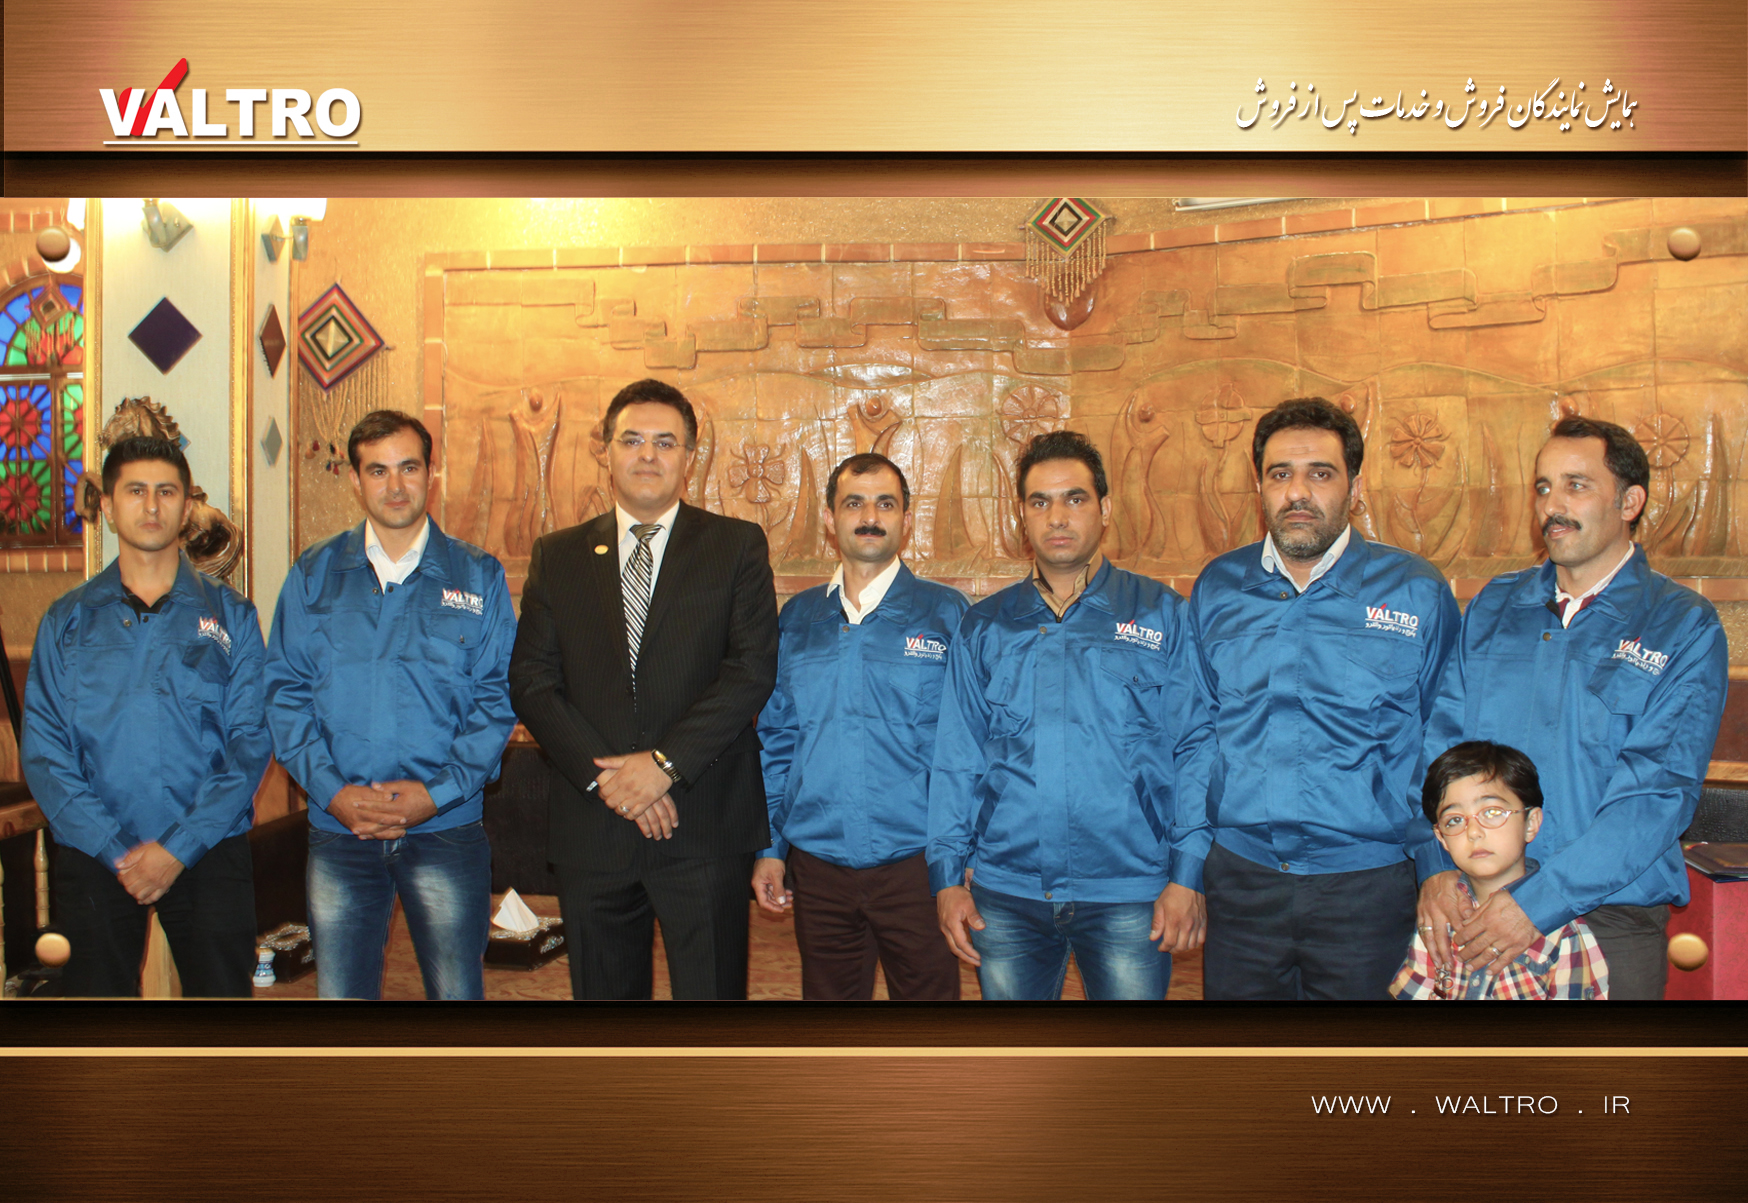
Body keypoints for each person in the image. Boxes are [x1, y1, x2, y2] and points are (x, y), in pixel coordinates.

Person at [1414, 415, 1728, 1000]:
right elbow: (1440, 752)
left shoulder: (1682, 624)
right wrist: (1433, 866)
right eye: (1543, 487)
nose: (1552, 506)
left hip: (1609, 919)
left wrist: (1539, 900)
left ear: (1629, 501)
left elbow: (1656, 795)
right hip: (1475, 909)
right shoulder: (1493, 607)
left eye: (1576, 485)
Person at [509, 378, 778, 1000]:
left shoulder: (736, 546)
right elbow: (532, 680)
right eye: (632, 440)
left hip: (703, 821)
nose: (648, 455)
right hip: (594, 829)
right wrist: (611, 781)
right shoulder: (558, 555)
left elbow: (750, 671)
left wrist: (663, 766)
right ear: (605, 451)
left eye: (665, 442)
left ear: (690, 456)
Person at [1189, 397, 1460, 1000]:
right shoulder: (1219, 587)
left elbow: (1444, 738)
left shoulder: (1415, 590)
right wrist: (1187, 866)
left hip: (1370, 888)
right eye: (1280, 474)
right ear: (1259, 487)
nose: (1297, 492)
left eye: (1320, 473)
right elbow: (1195, 734)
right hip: (1241, 884)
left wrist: (1437, 866)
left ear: (1354, 488)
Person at [928, 430, 1214, 1000]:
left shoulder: (1161, 614)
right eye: (1040, 501)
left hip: (1131, 890)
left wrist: (1188, 873)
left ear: (1104, 509)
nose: (1057, 517)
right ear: (1022, 515)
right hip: (1007, 892)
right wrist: (946, 876)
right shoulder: (985, 625)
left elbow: (1197, 745)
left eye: (1075, 499)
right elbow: (957, 755)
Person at [264, 410, 516, 1000]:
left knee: (456, 995)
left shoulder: (478, 575)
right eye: (378, 471)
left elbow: (498, 697)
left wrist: (438, 793)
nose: (395, 486)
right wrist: (332, 792)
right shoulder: (313, 574)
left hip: (447, 828)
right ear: (355, 480)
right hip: (341, 830)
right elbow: (285, 693)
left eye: (409, 468)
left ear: (432, 474)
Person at [22, 436, 269, 997]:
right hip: (96, 851)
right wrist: (114, 848)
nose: (152, 506)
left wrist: (178, 848)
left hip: (207, 847)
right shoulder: (66, 620)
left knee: (225, 1022)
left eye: (166, 492)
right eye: (135, 491)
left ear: (186, 507)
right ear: (108, 507)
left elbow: (250, 743)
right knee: (100, 1028)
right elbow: (44, 750)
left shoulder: (232, 616)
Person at [754, 453, 966, 1000]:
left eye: (885, 504)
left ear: (906, 520)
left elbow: (972, 748)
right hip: (819, 870)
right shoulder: (798, 619)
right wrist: (770, 849)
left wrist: (963, 863)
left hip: (919, 868)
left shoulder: (947, 615)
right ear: (830, 519)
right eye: (854, 503)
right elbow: (777, 741)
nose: (870, 517)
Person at [1392, 741, 1608, 1000]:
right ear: (1441, 838)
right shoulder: (1440, 915)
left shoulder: (1564, 933)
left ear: (1531, 823)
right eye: (1455, 820)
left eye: (1492, 812)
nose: (1474, 832)